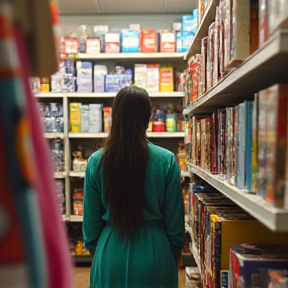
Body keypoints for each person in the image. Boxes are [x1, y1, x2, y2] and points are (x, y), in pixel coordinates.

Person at [83, 86, 185, 288]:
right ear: (147, 117)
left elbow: (91, 225)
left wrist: (100, 249)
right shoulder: (166, 160)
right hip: (156, 253)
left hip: (110, 252)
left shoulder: (96, 161)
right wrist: (173, 251)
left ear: (115, 116)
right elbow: (175, 222)